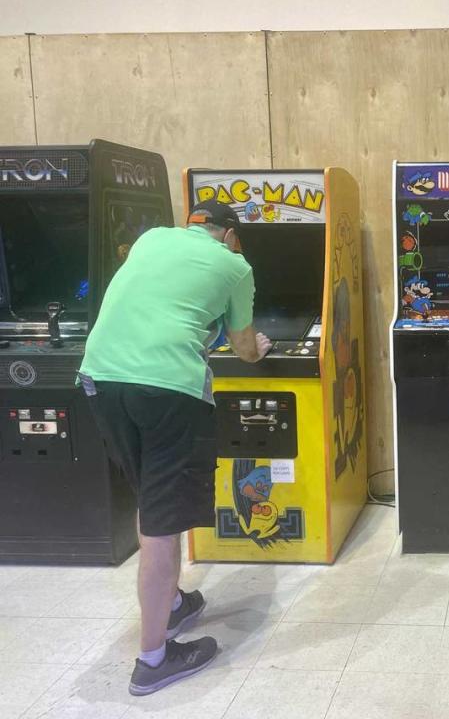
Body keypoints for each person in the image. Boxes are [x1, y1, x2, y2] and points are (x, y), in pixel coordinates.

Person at [78, 200, 271, 695]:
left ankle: (175, 605)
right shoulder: (234, 265)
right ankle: (153, 659)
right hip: (166, 388)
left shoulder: (151, 238)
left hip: (100, 378)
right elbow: (245, 347)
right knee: (163, 526)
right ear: (229, 236)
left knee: (150, 501)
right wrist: (260, 347)